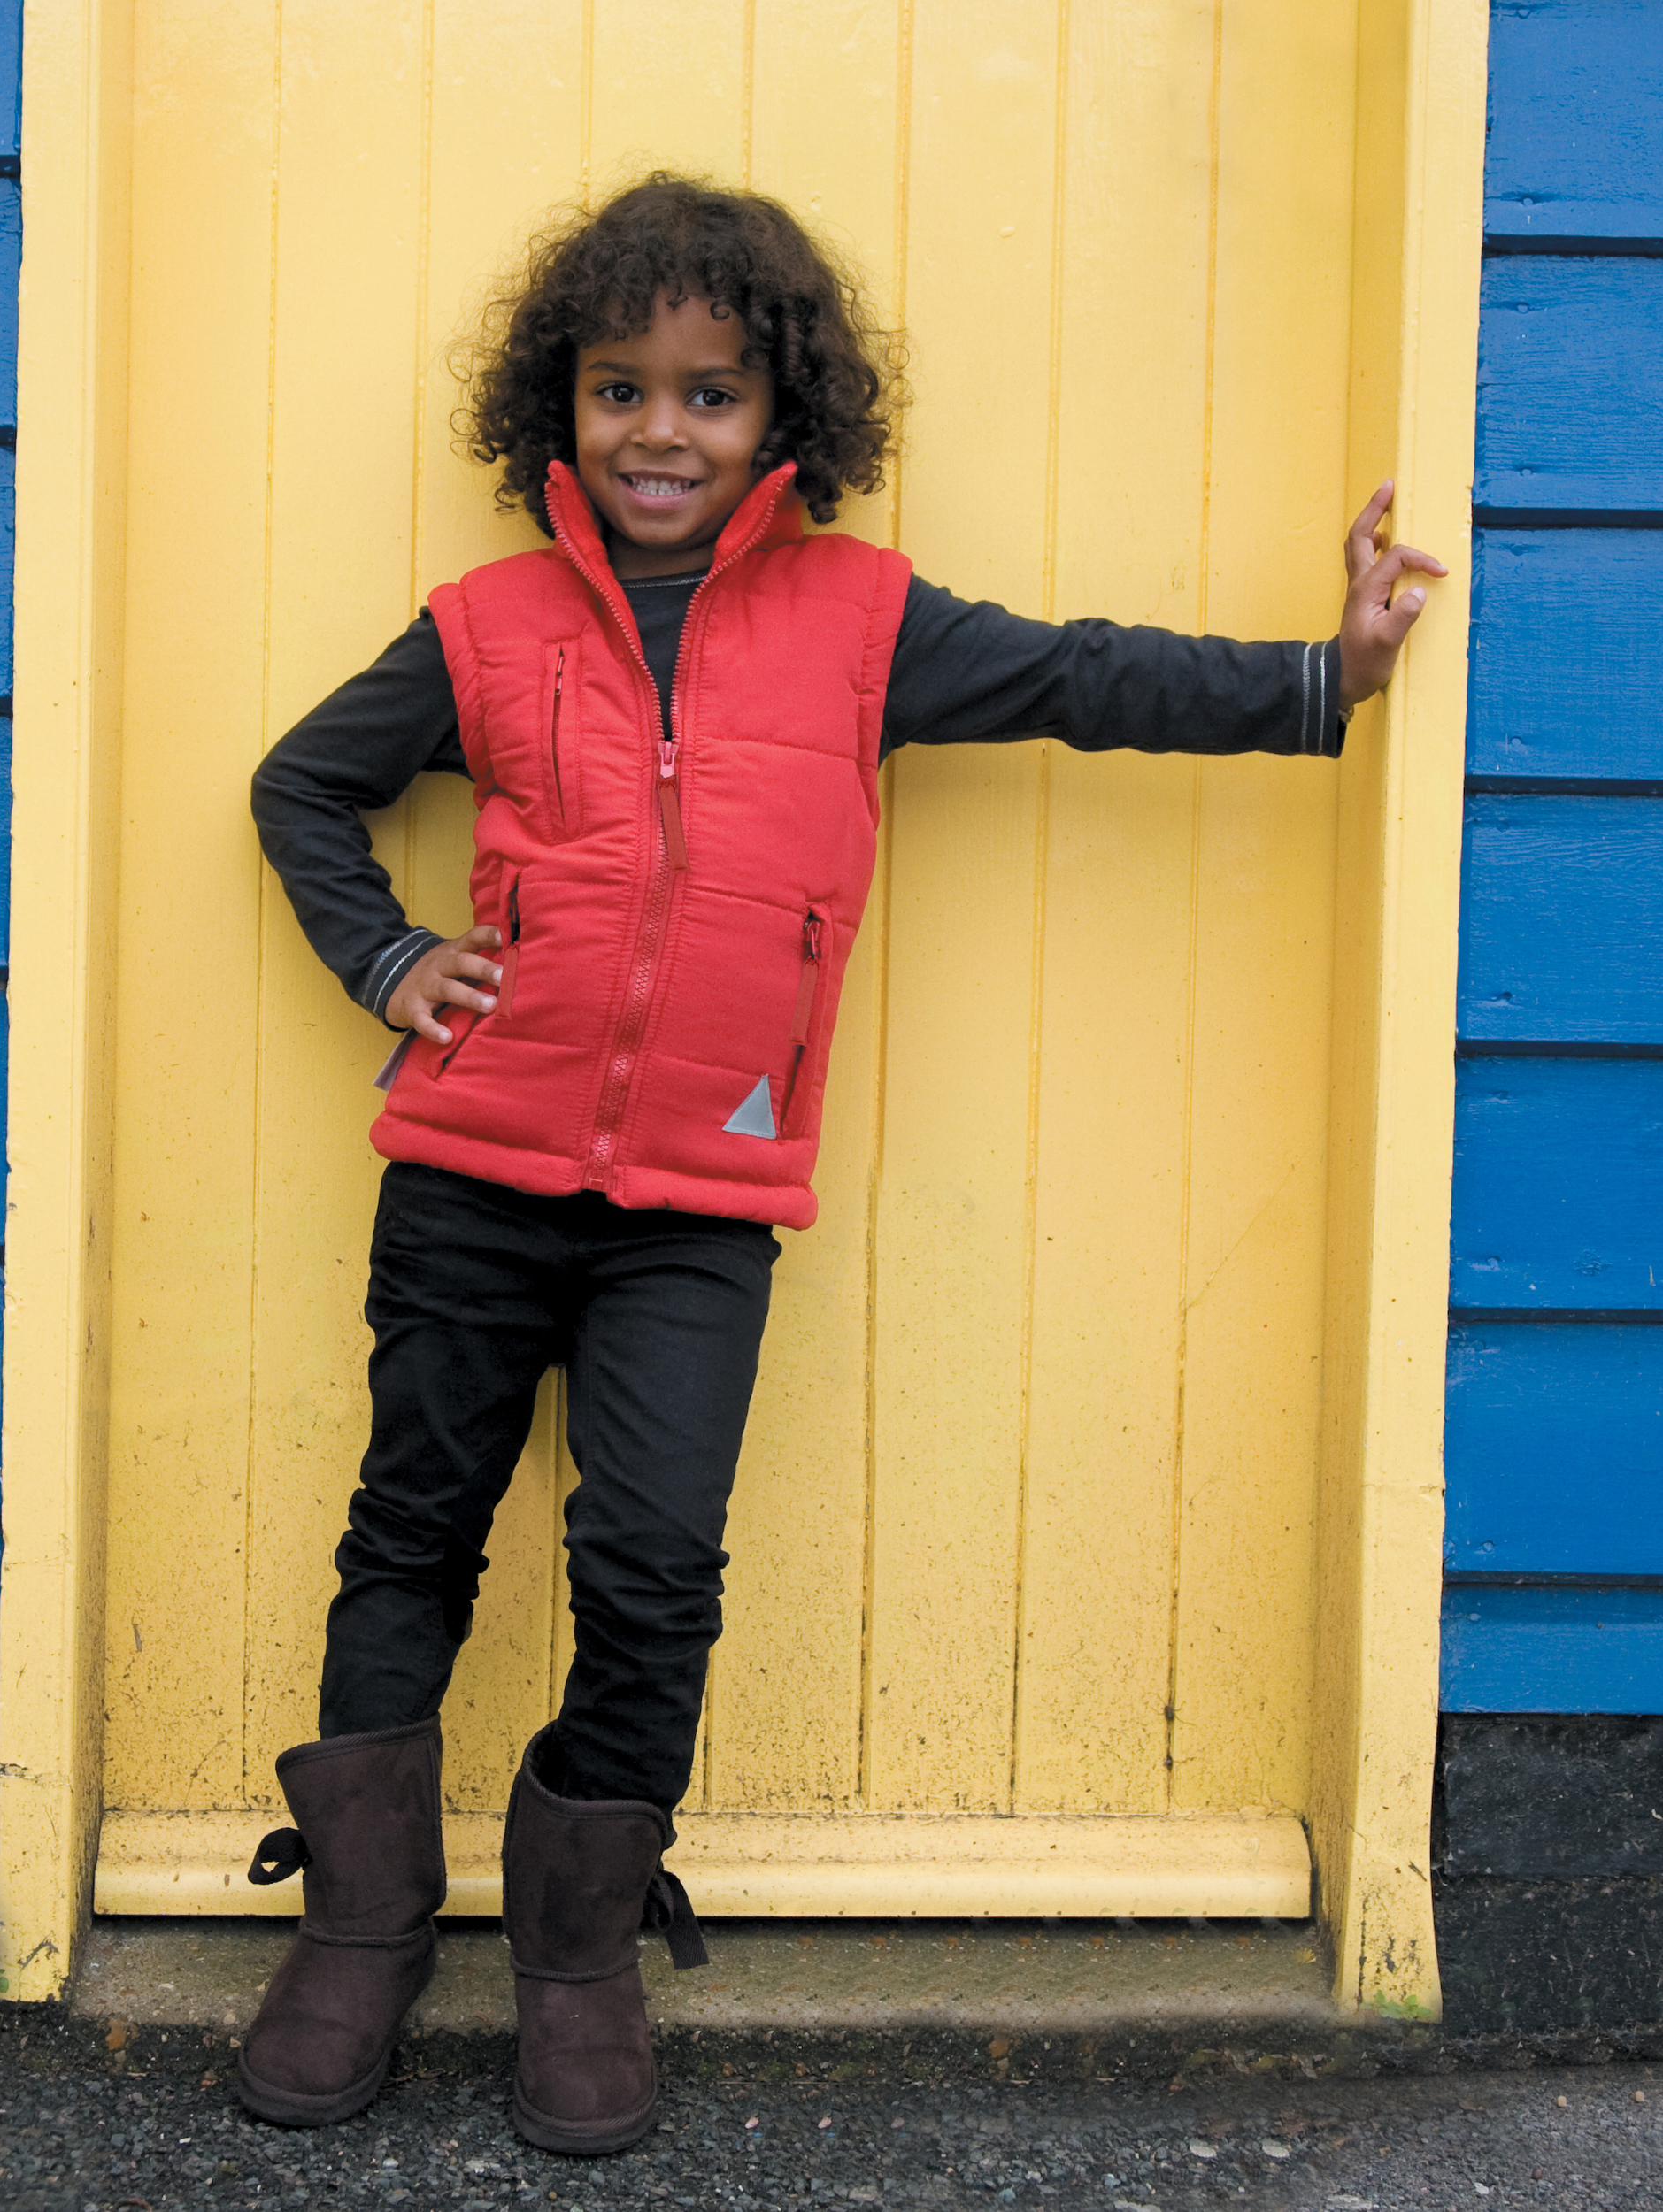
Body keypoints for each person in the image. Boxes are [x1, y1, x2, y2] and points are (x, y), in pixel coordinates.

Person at [240, 173, 1444, 2148]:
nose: (657, 432)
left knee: (650, 1556)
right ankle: (363, 1928)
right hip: (470, 1169)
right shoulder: (488, 625)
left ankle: (577, 1952)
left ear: (782, 417)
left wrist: (1324, 675)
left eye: (707, 395)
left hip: (699, 1203)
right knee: (411, 1529)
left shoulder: (864, 621)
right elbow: (300, 783)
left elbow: (1081, 676)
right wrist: (388, 956)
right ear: (561, 403)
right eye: (619, 388)